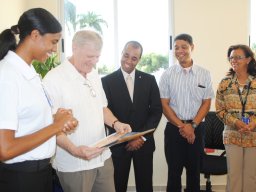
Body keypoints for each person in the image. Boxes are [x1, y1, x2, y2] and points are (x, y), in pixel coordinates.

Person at [43, 30, 132, 192]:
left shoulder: (94, 75)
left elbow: (102, 108)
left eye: (97, 57)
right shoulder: (53, 79)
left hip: (103, 158)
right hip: (74, 164)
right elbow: (50, 126)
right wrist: (75, 150)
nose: (94, 62)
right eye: (90, 56)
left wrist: (116, 123)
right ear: (74, 48)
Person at [0, 8, 78, 192]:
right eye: (53, 42)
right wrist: (55, 126)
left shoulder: (31, 73)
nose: (54, 49)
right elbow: (5, 149)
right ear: (35, 35)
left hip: (40, 173)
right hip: (20, 178)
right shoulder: (6, 75)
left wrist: (55, 119)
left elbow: (28, 122)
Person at [101, 41, 162, 192]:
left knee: (145, 185)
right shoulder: (106, 81)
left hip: (144, 143)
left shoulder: (149, 80)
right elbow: (105, 111)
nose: (129, 60)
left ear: (139, 60)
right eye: (126, 55)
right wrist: (124, 136)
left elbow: (156, 111)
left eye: (134, 58)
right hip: (118, 144)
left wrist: (140, 137)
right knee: (117, 185)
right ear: (121, 53)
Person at [159, 33, 214, 192]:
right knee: (174, 172)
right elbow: (164, 104)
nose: (179, 51)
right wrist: (183, 126)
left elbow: (206, 103)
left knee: (194, 171)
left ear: (192, 48)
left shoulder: (204, 74)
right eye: (176, 47)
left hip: (197, 129)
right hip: (174, 129)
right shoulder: (167, 74)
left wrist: (193, 125)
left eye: (184, 47)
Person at [216, 44, 256, 192]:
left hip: (254, 135)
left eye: (238, 57)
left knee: (251, 176)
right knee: (234, 175)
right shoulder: (225, 83)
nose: (234, 60)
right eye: (231, 57)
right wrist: (236, 122)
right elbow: (220, 110)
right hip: (232, 134)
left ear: (248, 59)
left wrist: (254, 123)